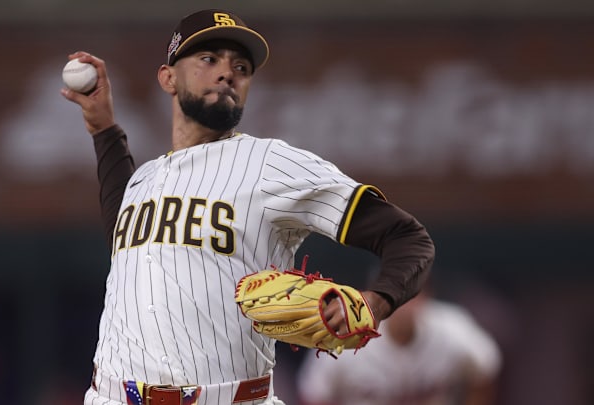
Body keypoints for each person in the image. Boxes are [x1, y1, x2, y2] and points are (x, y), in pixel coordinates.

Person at [61, 9, 436, 405]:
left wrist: (374, 303)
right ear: (168, 78)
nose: (227, 73)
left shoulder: (270, 164)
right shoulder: (144, 179)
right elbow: (124, 247)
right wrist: (103, 130)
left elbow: (408, 237)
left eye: (240, 66)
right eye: (209, 60)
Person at [296, 287, 502, 405]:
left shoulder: (451, 328)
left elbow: (485, 370)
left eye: (411, 295)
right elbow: (314, 395)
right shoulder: (345, 335)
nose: (403, 306)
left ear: (425, 297)